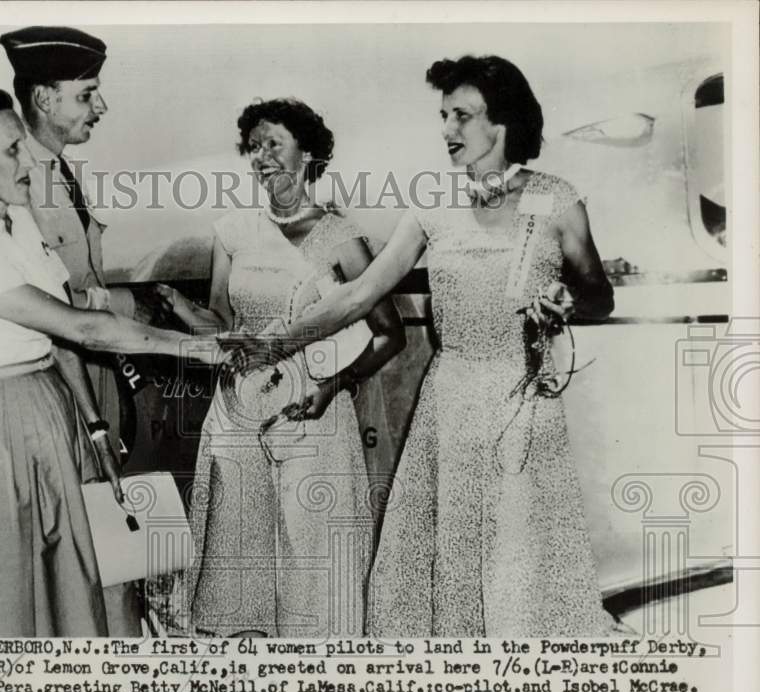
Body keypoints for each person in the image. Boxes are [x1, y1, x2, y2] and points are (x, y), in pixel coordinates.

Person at [234, 57, 619, 637]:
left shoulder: (555, 200)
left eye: (461, 116)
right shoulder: (433, 204)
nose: (447, 130)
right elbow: (361, 294)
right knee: (452, 555)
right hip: (451, 401)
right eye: (443, 116)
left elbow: (599, 299)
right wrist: (271, 345)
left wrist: (567, 298)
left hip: (525, 404)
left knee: (519, 557)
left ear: (504, 122)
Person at [0, 89, 219, 637]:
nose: (28, 163)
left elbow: (58, 335)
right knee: (6, 595)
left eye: (25, 148)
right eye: (11, 152)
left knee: (83, 578)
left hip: (53, 411)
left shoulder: (18, 224)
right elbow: (83, 327)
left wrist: (94, 424)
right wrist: (194, 346)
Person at [161, 98, 405, 637]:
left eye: (274, 143)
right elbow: (221, 324)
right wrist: (179, 309)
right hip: (238, 414)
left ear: (308, 153)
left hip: (313, 412)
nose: (261, 156)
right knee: (236, 556)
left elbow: (392, 334)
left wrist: (333, 386)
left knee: (312, 556)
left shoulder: (342, 238)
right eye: (254, 146)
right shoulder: (231, 232)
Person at [0, 26, 158, 634]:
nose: (102, 106)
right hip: (66, 388)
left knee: (109, 538)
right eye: (87, 94)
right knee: (87, 541)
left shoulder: (59, 171)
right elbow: (54, 310)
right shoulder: (22, 187)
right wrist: (121, 305)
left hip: (96, 378)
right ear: (44, 99)